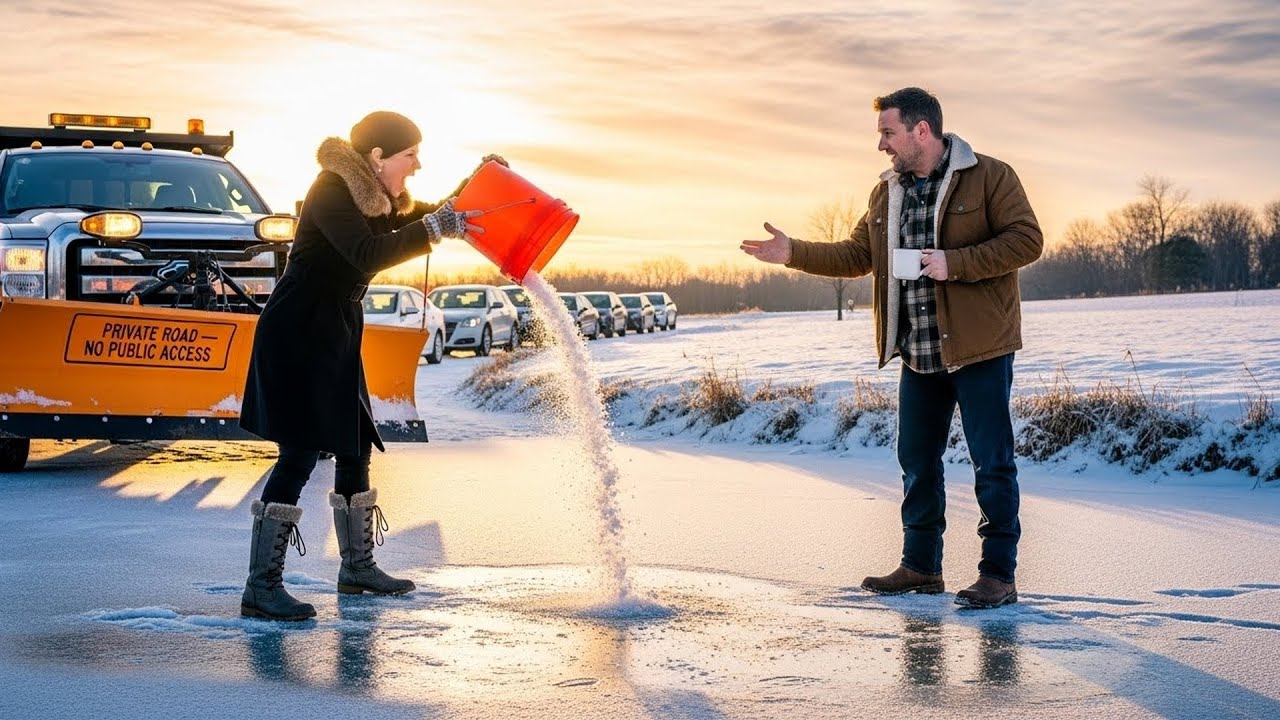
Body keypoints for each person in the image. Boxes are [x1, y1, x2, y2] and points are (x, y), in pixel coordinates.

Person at [741, 87, 1042, 609]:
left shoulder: (991, 176)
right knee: (917, 461)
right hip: (918, 352)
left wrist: (955, 262)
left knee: (991, 463)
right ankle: (921, 566)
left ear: (921, 130)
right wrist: (794, 252)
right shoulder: (886, 192)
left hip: (979, 349)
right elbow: (859, 254)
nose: (881, 144)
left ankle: (998, 574)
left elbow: (1027, 240)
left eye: (888, 132)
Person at [238, 110, 498, 621]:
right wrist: (433, 227)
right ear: (377, 157)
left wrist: (475, 184)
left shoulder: (375, 197)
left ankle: (357, 567)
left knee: (354, 444)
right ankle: (261, 587)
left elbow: (428, 217)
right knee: (300, 453)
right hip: (298, 330)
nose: (417, 165)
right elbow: (365, 252)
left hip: (334, 329)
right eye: (409, 155)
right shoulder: (331, 189)